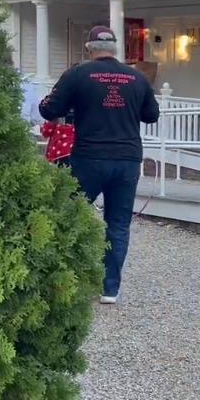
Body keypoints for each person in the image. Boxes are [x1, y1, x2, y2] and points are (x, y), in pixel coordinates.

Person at [39, 25, 160, 304]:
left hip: (89, 158)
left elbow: (48, 109)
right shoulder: (136, 77)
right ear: (116, 49)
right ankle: (110, 289)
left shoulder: (78, 74)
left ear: (89, 48)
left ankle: (68, 280)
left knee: (72, 217)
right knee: (118, 224)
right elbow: (151, 115)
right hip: (127, 160)